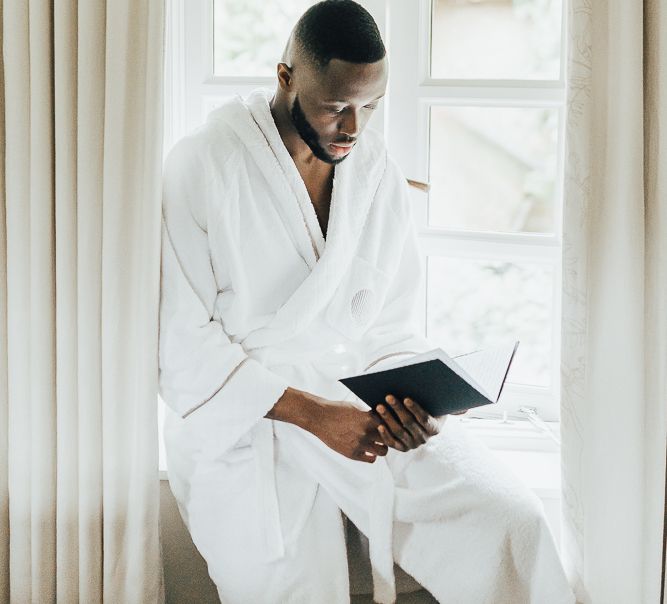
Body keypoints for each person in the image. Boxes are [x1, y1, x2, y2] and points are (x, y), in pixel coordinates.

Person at [158, 1, 575, 602]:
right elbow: (182, 347)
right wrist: (316, 416)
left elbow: (391, 327)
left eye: (370, 106)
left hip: (363, 400)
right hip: (250, 416)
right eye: (335, 108)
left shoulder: (374, 170)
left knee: (511, 518)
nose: (354, 127)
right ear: (286, 78)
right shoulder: (202, 165)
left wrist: (416, 403)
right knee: (288, 585)